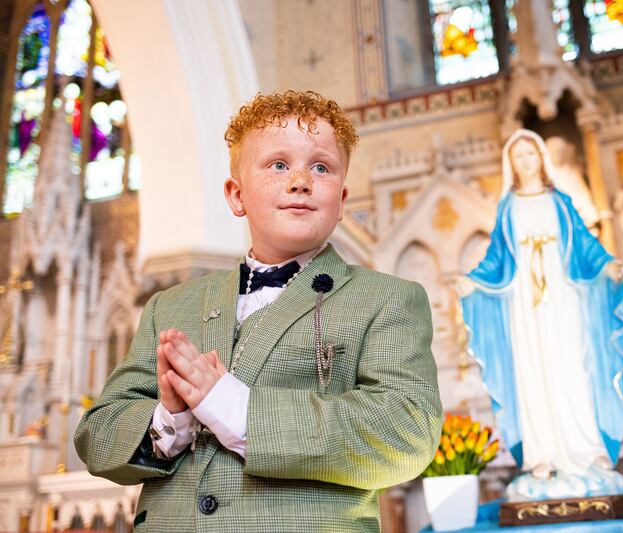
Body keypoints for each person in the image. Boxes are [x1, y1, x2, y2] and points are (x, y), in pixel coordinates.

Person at [75, 90, 443, 532]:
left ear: (341, 200)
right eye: (279, 165)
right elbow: (96, 437)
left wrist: (232, 406)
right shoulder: (169, 306)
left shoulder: (387, 300)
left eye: (321, 167)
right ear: (236, 195)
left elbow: (405, 433)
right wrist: (169, 421)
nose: (301, 180)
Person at [459, 129, 623, 501]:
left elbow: (585, 244)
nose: (525, 162)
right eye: (518, 157)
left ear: (541, 158)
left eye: (530, 154)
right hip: (525, 306)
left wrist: (606, 266)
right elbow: (496, 258)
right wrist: (473, 281)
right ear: (511, 164)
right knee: (533, 372)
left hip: (564, 298)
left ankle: (588, 448)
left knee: (573, 368)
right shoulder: (508, 207)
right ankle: (542, 454)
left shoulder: (560, 201)